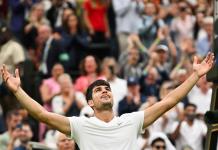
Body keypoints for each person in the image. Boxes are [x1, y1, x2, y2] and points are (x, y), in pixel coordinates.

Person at [0, 52, 214, 150]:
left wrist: (195, 76)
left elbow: (168, 102)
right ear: (90, 103)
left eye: (107, 89)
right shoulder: (80, 125)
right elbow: (42, 115)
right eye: (98, 90)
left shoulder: (131, 121)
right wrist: (18, 91)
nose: (104, 91)